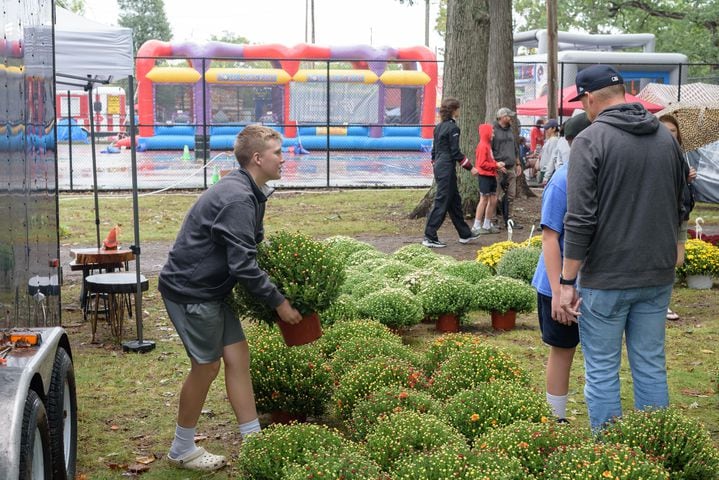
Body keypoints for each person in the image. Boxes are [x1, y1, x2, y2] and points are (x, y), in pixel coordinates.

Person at [158, 125, 303, 471]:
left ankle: (254, 443)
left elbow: (251, 247)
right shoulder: (239, 197)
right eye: (278, 152)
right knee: (206, 367)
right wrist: (280, 303)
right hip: (191, 292)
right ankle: (181, 448)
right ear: (257, 158)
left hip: (213, 290)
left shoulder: (250, 190)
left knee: (238, 356)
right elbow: (243, 265)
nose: (284, 158)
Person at [559, 65, 688, 431]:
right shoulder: (667, 139)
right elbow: (683, 202)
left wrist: (567, 280)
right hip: (656, 272)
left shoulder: (590, 139)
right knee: (650, 363)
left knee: (601, 368)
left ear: (590, 98)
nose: (583, 109)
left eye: (582, 101)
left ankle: (611, 454)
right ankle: (655, 446)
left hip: (607, 275)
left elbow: (579, 218)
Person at [530, 113, 591, 423]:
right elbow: (550, 237)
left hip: (592, 285)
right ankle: (556, 417)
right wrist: (557, 290)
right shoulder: (563, 179)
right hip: (556, 284)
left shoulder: (603, 175)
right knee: (563, 349)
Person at [422, 97, 480, 248]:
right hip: (446, 168)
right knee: (442, 202)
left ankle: (465, 234)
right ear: (454, 110)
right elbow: (455, 152)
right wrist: (471, 167)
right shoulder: (453, 128)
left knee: (454, 202)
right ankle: (429, 236)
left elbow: (434, 151)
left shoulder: (439, 127)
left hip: (441, 167)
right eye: (458, 108)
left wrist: (436, 165)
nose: (459, 110)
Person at [659, 113, 697, 321]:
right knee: (666, 258)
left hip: (681, 213)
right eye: (665, 130)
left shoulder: (681, 154)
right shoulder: (656, 153)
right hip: (664, 216)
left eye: (673, 131)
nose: (670, 134)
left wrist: (688, 177)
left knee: (677, 259)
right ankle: (663, 302)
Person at [492, 107, 523, 229]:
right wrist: (495, 164)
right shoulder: (493, 130)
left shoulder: (510, 130)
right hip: (498, 169)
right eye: (509, 116)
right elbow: (489, 150)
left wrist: (518, 164)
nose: (511, 118)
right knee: (496, 196)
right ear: (502, 117)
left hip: (511, 167)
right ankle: (493, 221)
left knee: (511, 195)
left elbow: (515, 148)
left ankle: (509, 220)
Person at [472, 123, 505, 235]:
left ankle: (487, 224)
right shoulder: (482, 146)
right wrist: (495, 166)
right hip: (484, 176)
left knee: (493, 199)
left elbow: (489, 161)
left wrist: (497, 165)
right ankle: (476, 225)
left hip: (491, 175)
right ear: (487, 133)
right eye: (492, 132)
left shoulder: (487, 145)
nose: (493, 134)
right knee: (484, 199)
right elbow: (482, 164)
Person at [538, 119, 559, 185]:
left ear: (554, 128)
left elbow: (552, 159)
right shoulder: (550, 140)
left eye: (548, 128)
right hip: (545, 170)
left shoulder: (554, 141)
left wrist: (546, 176)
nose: (546, 130)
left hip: (548, 171)